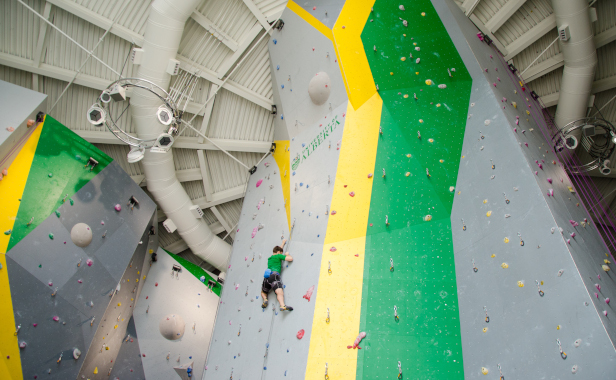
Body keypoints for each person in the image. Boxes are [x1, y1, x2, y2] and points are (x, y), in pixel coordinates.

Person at [261, 239, 293, 311]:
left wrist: (283, 243)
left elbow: (278, 250)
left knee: (263, 292)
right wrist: (287, 254)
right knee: (279, 292)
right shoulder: (279, 256)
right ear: (279, 252)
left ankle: (265, 299)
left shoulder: (270, 258)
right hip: (274, 276)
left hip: (267, 277)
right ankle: (282, 305)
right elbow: (290, 259)